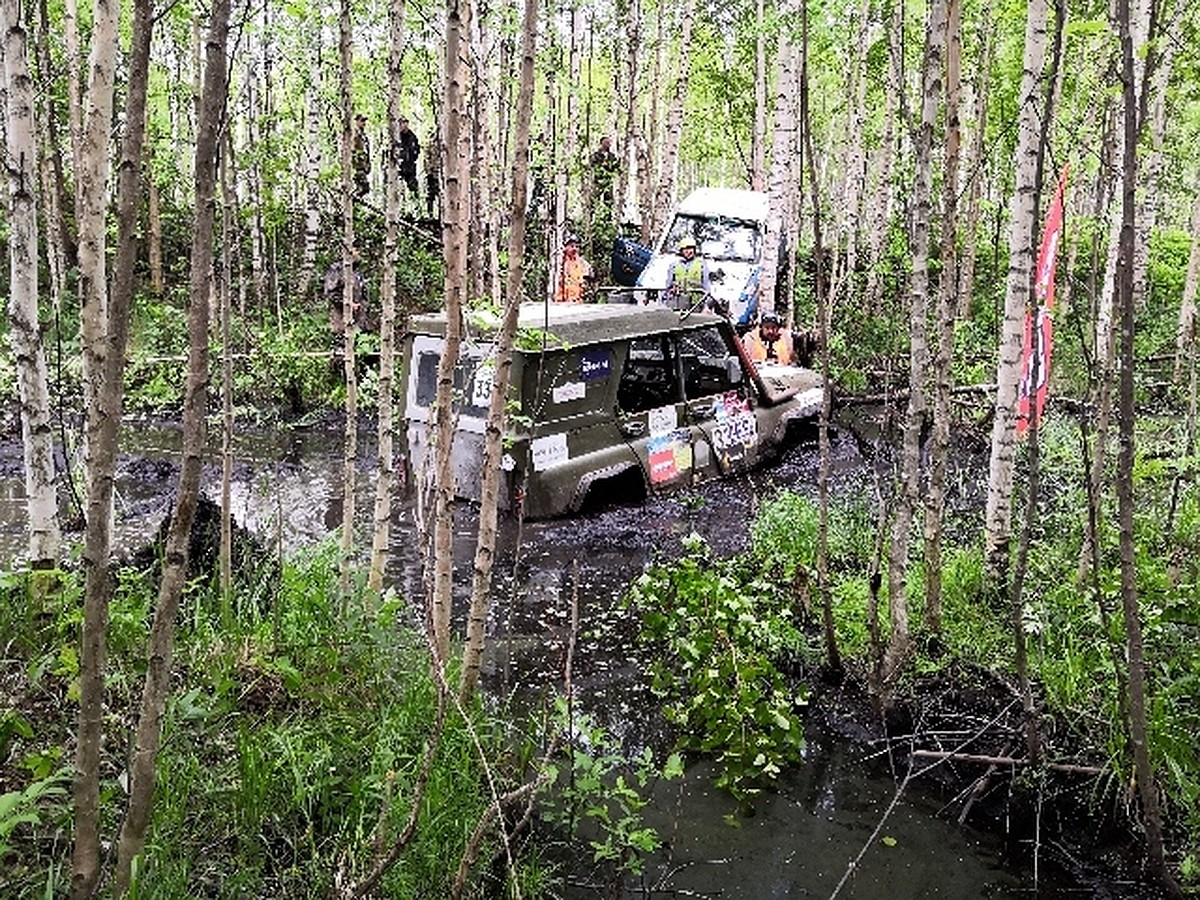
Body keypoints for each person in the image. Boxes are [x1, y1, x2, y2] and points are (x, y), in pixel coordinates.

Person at [324, 250, 367, 336]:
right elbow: (331, 293)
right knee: (341, 345)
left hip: (358, 323)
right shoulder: (337, 269)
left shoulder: (356, 271)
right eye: (356, 249)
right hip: (342, 322)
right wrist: (348, 303)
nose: (359, 252)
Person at [664, 234, 710, 309]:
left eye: (691, 248)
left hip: (696, 304)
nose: (688, 251)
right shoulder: (674, 266)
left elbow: (707, 286)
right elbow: (668, 287)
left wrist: (706, 306)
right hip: (678, 303)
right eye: (685, 249)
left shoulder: (701, 265)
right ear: (681, 251)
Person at [554, 233, 593, 303]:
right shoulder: (558, 262)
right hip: (561, 302)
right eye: (572, 246)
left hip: (577, 301)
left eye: (577, 246)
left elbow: (590, 279)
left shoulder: (582, 263)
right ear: (566, 247)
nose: (574, 249)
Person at [589, 136, 619, 220]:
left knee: (609, 201)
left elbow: (615, 167)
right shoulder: (595, 155)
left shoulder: (612, 156)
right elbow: (592, 164)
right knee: (594, 201)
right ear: (601, 143)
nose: (608, 144)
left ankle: (607, 220)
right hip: (598, 181)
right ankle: (590, 219)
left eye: (609, 143)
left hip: (608, 182)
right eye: (606, 142)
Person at [398, 117, 420, 203]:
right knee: (399, 189)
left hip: (410, 167)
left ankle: (416, 207)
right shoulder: (396, 137)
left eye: (406, 123)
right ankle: (401, 208)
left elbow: (417, 149)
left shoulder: (412, 136)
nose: (405, 125)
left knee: (413, 187)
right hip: (399, 167)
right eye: (402, 123)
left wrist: (412, 159)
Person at [352, 114, 370, 199]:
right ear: (356, 121)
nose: (364, 123)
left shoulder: (363, 135)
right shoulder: (354, 133)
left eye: (365, 121)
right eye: (362, 121)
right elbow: (352, 148)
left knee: (363, 188)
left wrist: (368, 164)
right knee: (364, 187)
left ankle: (355, 199)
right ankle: (353, 198)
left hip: (363, 165)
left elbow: (366, 150)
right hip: (357, 165)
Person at [423, 130, 441, 220]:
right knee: (431, 195)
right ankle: (430, 214)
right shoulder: (431, 142)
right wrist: (429, 170)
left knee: (442, 195)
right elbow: (426, 157)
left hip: (443, 175)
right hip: (432, 174)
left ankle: (442, 215)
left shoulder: (445, 141)